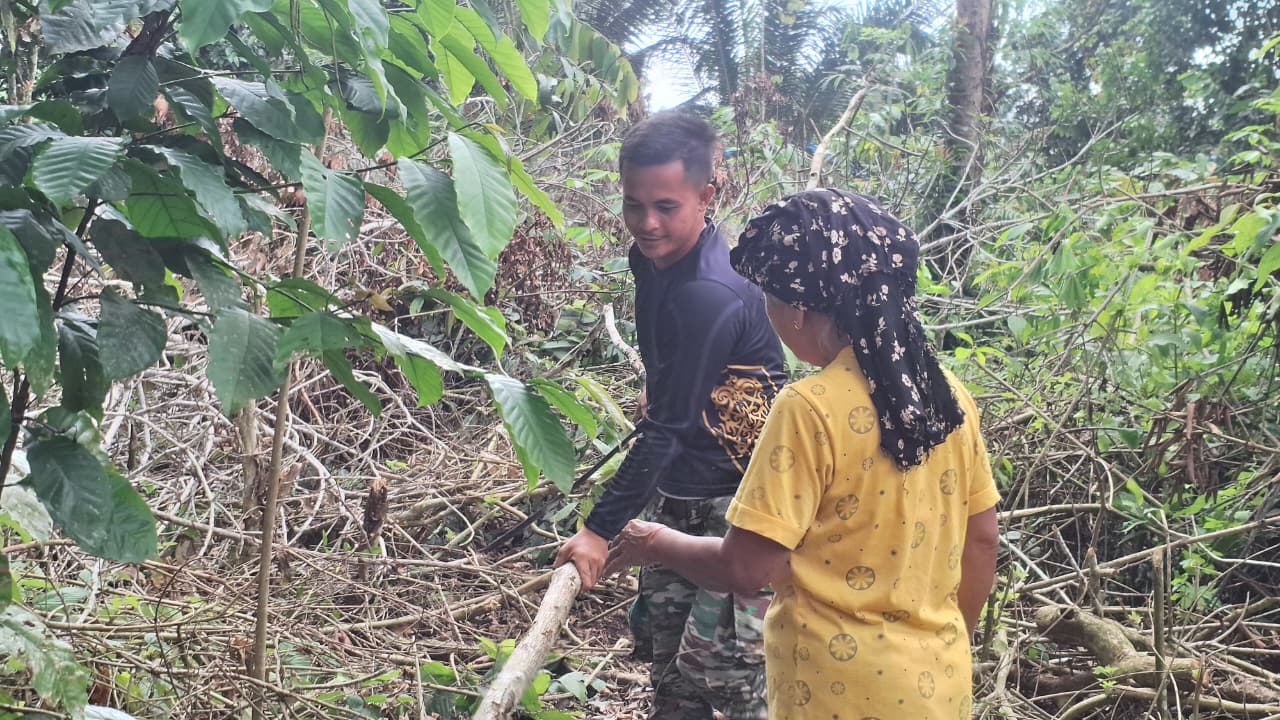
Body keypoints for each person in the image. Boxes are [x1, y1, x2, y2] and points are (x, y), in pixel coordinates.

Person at [605, 189, 1001, 719]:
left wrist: (652, 540)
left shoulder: (808, 408)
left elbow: (745, 569)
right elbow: (982, 538)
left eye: (768, 296)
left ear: (797, 308)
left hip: (832, 689)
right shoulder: (950, 397)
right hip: (938, 683)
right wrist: (954, 639)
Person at [553, 111, 786, 720]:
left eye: (665, 206)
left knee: (731, 680)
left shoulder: (711, 290)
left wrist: (599, 531)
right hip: (678, 487)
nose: (647, 224)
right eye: (633, 204)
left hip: (735, 504)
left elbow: (667, 429)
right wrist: (664, 385)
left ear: (707, 196)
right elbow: (667, 393)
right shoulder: (647, 258)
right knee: (670, 671)